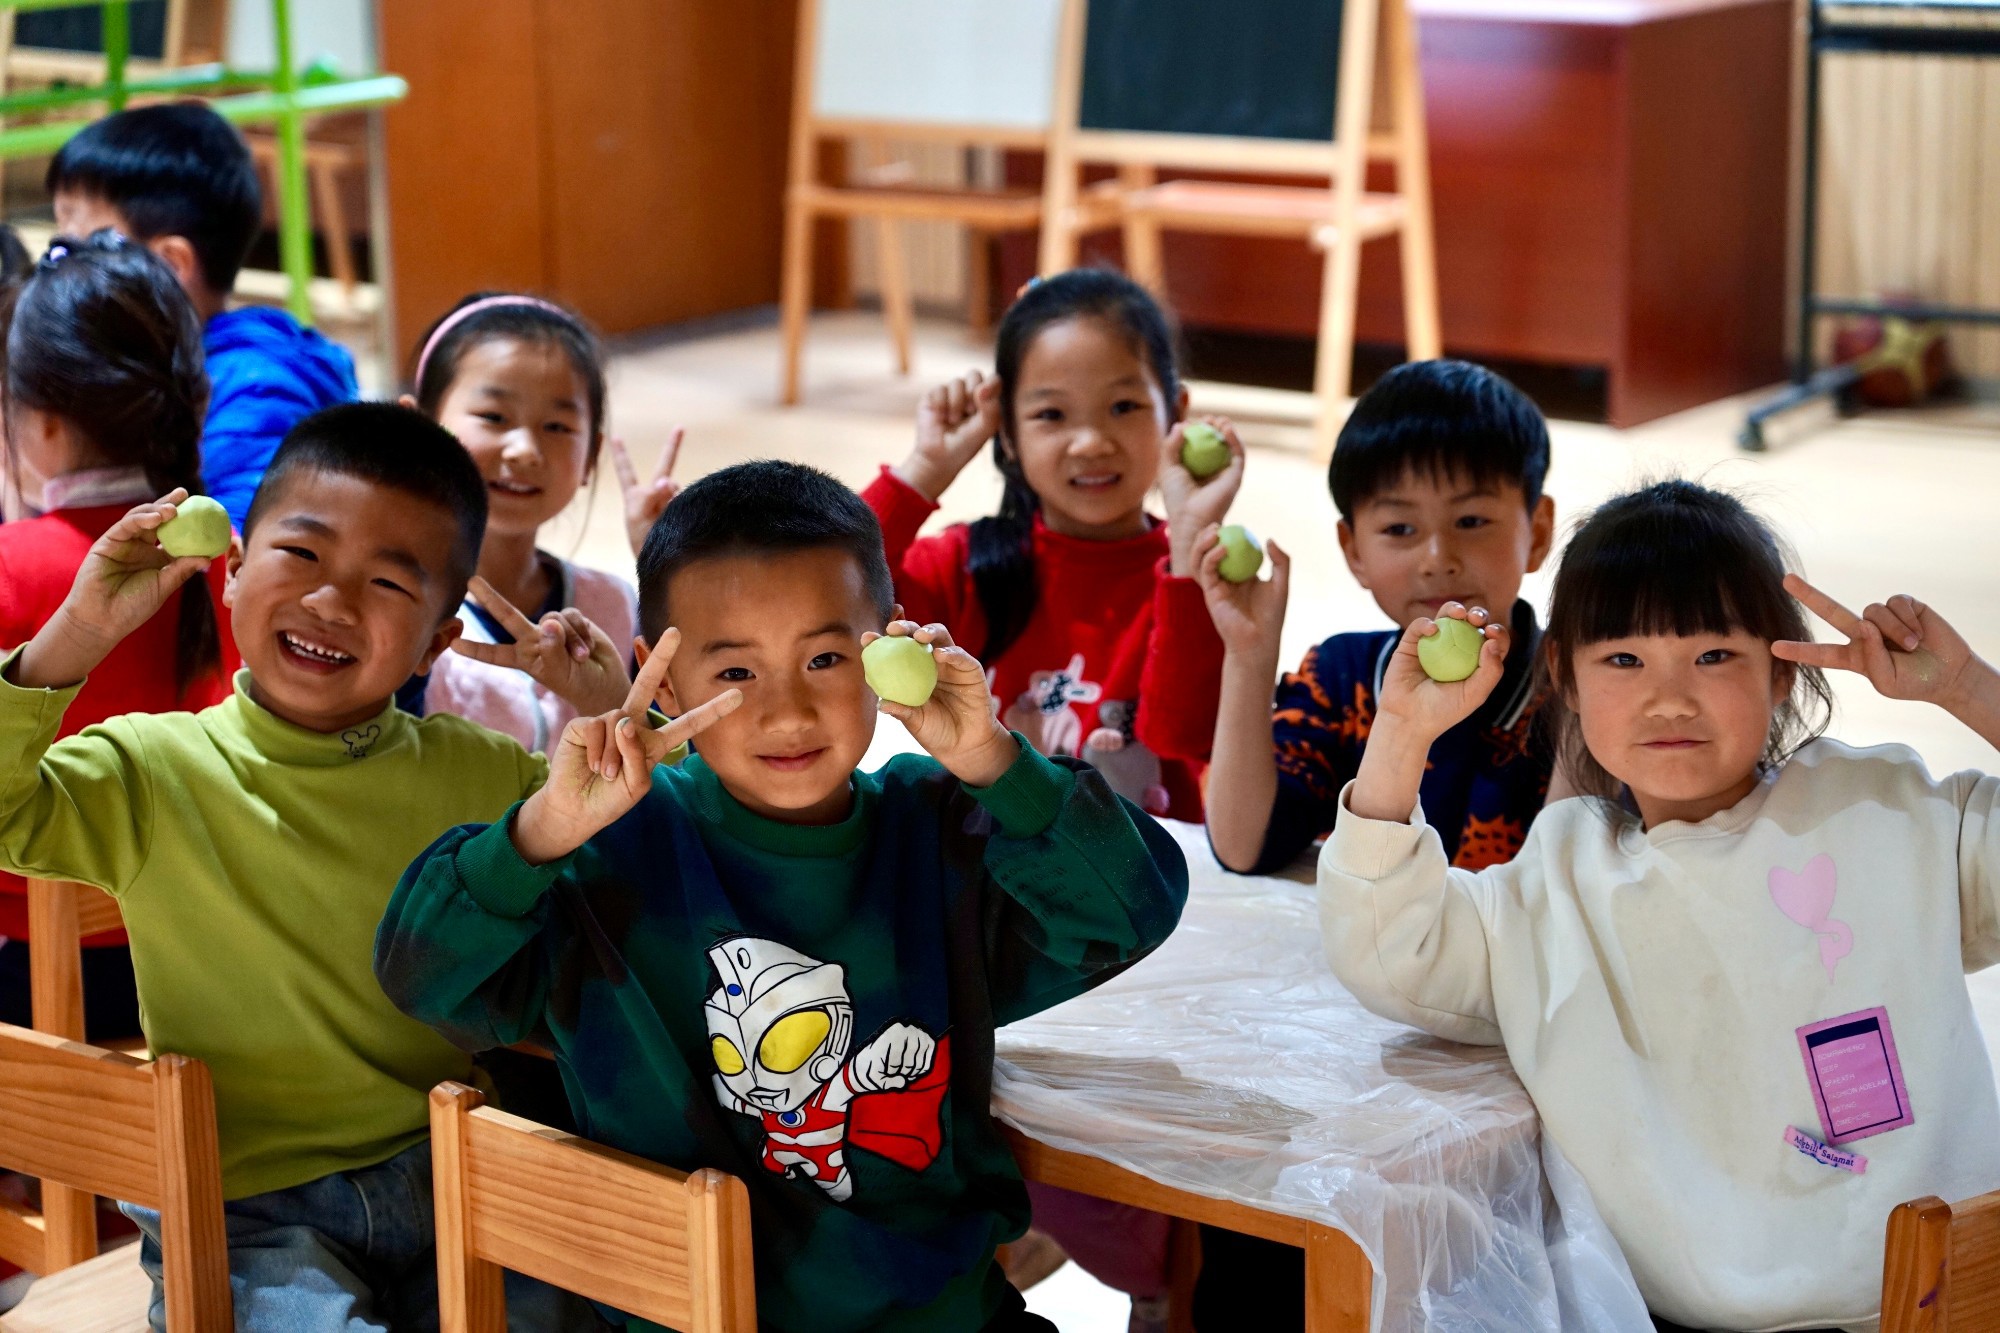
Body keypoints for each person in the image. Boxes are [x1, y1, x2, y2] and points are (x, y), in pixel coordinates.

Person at [375, 459, 1189, 1333]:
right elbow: (422, 975)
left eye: (827, 657)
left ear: (889, 650)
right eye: (736, 673)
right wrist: (537, 831)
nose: (789, 711)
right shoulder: (609, 853)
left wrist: (992, 756)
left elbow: (1133, 905)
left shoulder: (939, 828)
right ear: (662, 676)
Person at [0, 403, 684, 1330]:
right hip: (243, 1210)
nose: (332, 600)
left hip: (453, 1172)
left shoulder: (476, 768)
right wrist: (77, 631)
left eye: (388, 585)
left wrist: (614, 710)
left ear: (438, 642)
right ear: (233, 570)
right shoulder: (153, 769)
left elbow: (660, 845)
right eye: (304, 555)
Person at [1320, 478, 2000, 1332]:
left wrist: (1969, 686)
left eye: (1714, 656)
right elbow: (1387, 951)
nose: (1669, 697)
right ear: (1564, 674)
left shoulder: (1889, 809)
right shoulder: (1555, 884)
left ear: (1782, 670)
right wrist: (1403, 735)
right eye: (1625, 660)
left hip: (1948, 1307)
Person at [861, 269, 1234, 822]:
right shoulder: (968, 566)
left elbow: (1186, 736)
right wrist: (925, 470)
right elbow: (829, 586)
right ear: (1006, 431)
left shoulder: (1205, 573)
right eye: (1051, 415)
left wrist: (1186, 555)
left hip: (1147, 882)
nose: (1091, 443)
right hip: (997, 878)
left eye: (1124, 406)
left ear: (1175, 414)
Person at [0, 232, 232, 1042]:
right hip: (201, 971)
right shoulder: (230, 567)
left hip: (30, 987)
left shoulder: (12, 563)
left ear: (46, 426)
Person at [1204, 358, 1557, 878]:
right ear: (1354, 552)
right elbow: (1245, 845)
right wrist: (1248, 655)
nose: (1438, 557)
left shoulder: (1576, 684)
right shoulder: (1339, 678)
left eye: (1471, 520)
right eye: (1399, 528)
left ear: (1539, 532)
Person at [48, 102, 357, 530]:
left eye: (72, 248)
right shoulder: (145, 365)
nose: (55, 273)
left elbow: (236, 561)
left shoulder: (255, 387)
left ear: (171, 264)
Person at [399, 292, 658, 752]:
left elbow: (677, 753)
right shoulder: (396, 607)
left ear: (590, 458)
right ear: (417, 430)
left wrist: (664, 565)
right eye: (493, 417)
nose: (525, 450)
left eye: (557, 426)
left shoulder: (615, 604)